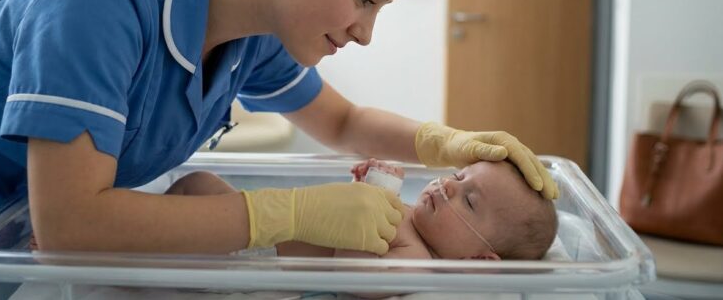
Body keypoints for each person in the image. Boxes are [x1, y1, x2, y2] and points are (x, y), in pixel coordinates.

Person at [0, 0, 557, 290]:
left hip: (9, 254)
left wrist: (445, 143)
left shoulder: (257, 32)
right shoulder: (100, 0)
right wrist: (281, 214)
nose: (365, 33)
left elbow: (343, 123)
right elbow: (72, 224)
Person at [162, 158, 558, 261]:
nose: (449, 185)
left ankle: (128, 249)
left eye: (470, 201)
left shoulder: (416, 256)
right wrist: (360, 189)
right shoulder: (408, 214)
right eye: (459, 175)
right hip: (261, 228)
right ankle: (129, 231)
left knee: (195, 191)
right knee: (196, 181)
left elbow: (354, 271)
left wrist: (372, 191)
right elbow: (341, 217)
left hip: (254, 256)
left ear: (480, 259)